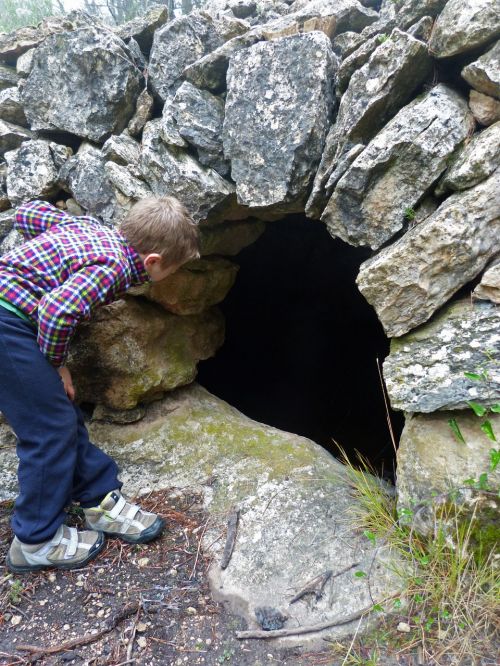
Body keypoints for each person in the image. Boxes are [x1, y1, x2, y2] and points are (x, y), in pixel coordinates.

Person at [0, 197, 200, 573]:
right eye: (170, 270)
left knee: (61, 418)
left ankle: (99, 501)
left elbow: (29, 212)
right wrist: (58, 365)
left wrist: (45, 253)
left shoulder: (89, 229)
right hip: (6, 325)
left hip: (10, 319)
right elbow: (57, 311)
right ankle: (34, 540)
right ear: (152, 262)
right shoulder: (112, 267)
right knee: (48, 429)